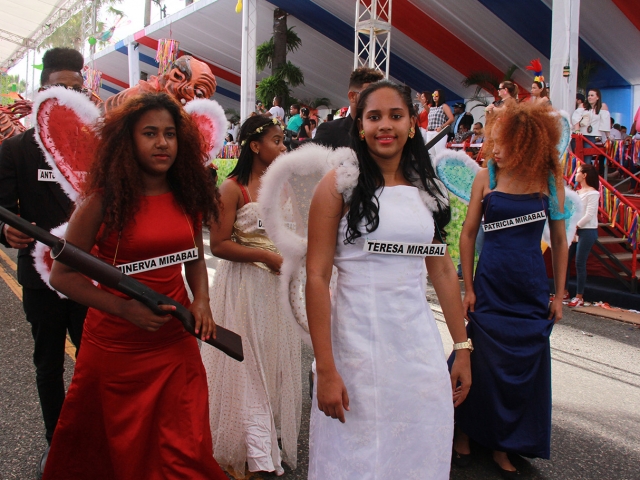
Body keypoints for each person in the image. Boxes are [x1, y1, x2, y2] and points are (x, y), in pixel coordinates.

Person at [44, 92, 227, 479]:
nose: (162, 143)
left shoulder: (188, 194)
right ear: (127, 140)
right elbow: (62, 276)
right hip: (115, 348)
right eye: (150, 133)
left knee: (185, 449)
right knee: (115, 453)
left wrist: (202, 300)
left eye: (170, 134)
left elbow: (194, 257)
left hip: (174, 342)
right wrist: (124, 308)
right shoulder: (101, 202)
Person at [306, 80, 472, 479]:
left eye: (396, 116)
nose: (385, 125)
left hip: (417, 348)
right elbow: (316, 276)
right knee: (355, 454)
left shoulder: (428, 190)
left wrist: (462, 347)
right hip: (355, 348)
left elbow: (442, 269)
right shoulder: (338, 185)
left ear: (412, 124)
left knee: (419, 445)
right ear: (360, 126)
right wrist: (325, 368)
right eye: (374, 116)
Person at [452, 102, 568, 477]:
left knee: (521, 364)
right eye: (491, 140)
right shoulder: (485, 176)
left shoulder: (549, 180)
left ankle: (504, 443)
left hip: (530, 287)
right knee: (481, 360)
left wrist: (559, 296)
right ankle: (465, 430)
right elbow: (468, 235)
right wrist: (468, 287)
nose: (492, 149)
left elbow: (560, 241)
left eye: (501, 142)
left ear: (524, 142)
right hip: (490, 283)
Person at [0, 47, 88, 477]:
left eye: (76, 89)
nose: (68, 96)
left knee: (94, 365)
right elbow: (3, 210)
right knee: (49, 365)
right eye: (59, 88)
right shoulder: (16, 149)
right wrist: (6, 231)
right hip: (41, 279)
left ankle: (95, 439)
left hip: (92, 277)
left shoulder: (95, 148)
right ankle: (58, 444)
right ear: (42, 92)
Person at [201, 115, 302, 478]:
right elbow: (219, 244)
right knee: (247, 367)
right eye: (277, 140)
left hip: (276, 293)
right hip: (243, 288)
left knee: (271, 364)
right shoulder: (232, 189)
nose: (283, 147)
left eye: (283, 140)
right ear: (255, 146)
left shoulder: (286, 186)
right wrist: (265, 256)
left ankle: (260, 440)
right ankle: (259, 456)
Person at [313, 67, 383, 149]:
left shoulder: (383, 130)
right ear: (352, 96)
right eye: (368, 94)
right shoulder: (330, 131)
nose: (376, 100)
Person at [566, 164, 600, 308]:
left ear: (585, 175)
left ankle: (579, 296)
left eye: (578, 172)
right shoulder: (577, 192)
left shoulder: (593, 193)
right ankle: (564, 291)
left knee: (580, 262)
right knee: (565, 260)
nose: (576, 174)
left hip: (587, 230)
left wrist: (575, 226)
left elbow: (589, 214)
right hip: (575, 229)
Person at [572, 88, 610, 165]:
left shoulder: (602, 106)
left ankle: (586, 172)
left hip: (591, 136)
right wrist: (577, 131)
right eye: (588, 95)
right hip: (579, 136)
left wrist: (608, 137)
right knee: (577, 159)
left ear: (597, 97)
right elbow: (575, 119)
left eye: (592, 95)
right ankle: (577, 173)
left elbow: (605, 123)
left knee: (587, 160)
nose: (589, 97)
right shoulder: (582, 105)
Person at [426, 88, 455, 156]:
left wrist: (442, 127)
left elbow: (451, 118)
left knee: (439, 153)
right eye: (433, 95)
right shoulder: (431, 107)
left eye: (436, 95)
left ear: (440, 96)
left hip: (439, 132)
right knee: (431, 154)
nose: (434, 97)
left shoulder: (444, 106)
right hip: (430, 132)